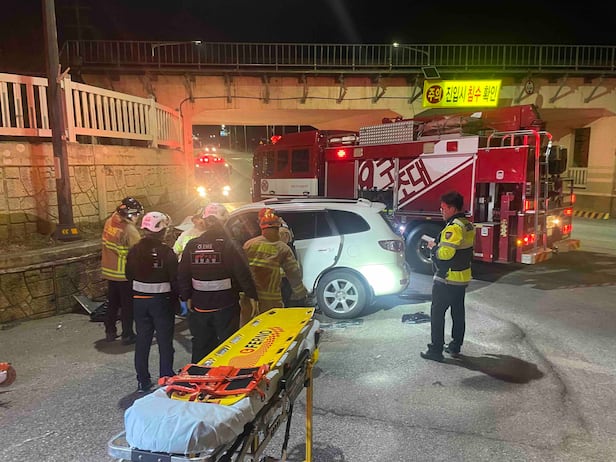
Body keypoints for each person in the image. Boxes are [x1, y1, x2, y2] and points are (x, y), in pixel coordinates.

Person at [178, 203, 258, 363]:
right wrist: (252, 296)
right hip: (226, 304)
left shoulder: (192, 245)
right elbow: (242, 273)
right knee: (228, 345)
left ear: (205, 222)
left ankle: (199, 374)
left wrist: (186, 296)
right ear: (224, 221)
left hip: (200, 305)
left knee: (201, 345)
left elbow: (183, 273)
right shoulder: (230, 245)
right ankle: (225, 374)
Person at [126, 211, 179, 393]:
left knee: (142, 341)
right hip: (161, 302)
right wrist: (179, 300)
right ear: (162, 231)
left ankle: (143, 380)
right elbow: (175, 279)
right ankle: (166, 376)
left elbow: (128, 275)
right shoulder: (167, 253)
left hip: (140, 302)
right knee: (165, 342)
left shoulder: (134, 251)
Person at [420, 191, 476, 362]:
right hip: (462, 277)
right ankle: (455, 346)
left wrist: (433, 248)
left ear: (452, 208)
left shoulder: (453, 228)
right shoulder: (467, 224)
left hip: (447, 278)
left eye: (443, 208)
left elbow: (446, 254)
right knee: (458, 313)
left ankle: (435, 350)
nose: (441, 211)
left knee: (437, 314)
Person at [242, 208, 307, 325]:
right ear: (278, 226)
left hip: (250, 297)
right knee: (272, 326)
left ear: (261, 226)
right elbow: (293, 272)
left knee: (250, 327)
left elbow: (239, 269)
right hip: (271, 298)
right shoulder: (282, 248)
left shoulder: (249, 244)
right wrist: (301, 293)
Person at [101, 197, 143, 344]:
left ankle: (110, 331)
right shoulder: (128, 230)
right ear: (130, 214)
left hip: (110, 270)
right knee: (127, 306)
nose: (137, 218)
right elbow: (136, 252)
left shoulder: (110, 221)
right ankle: (127, 334)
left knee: (112, 303)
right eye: (136, 214)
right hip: (124, 273)